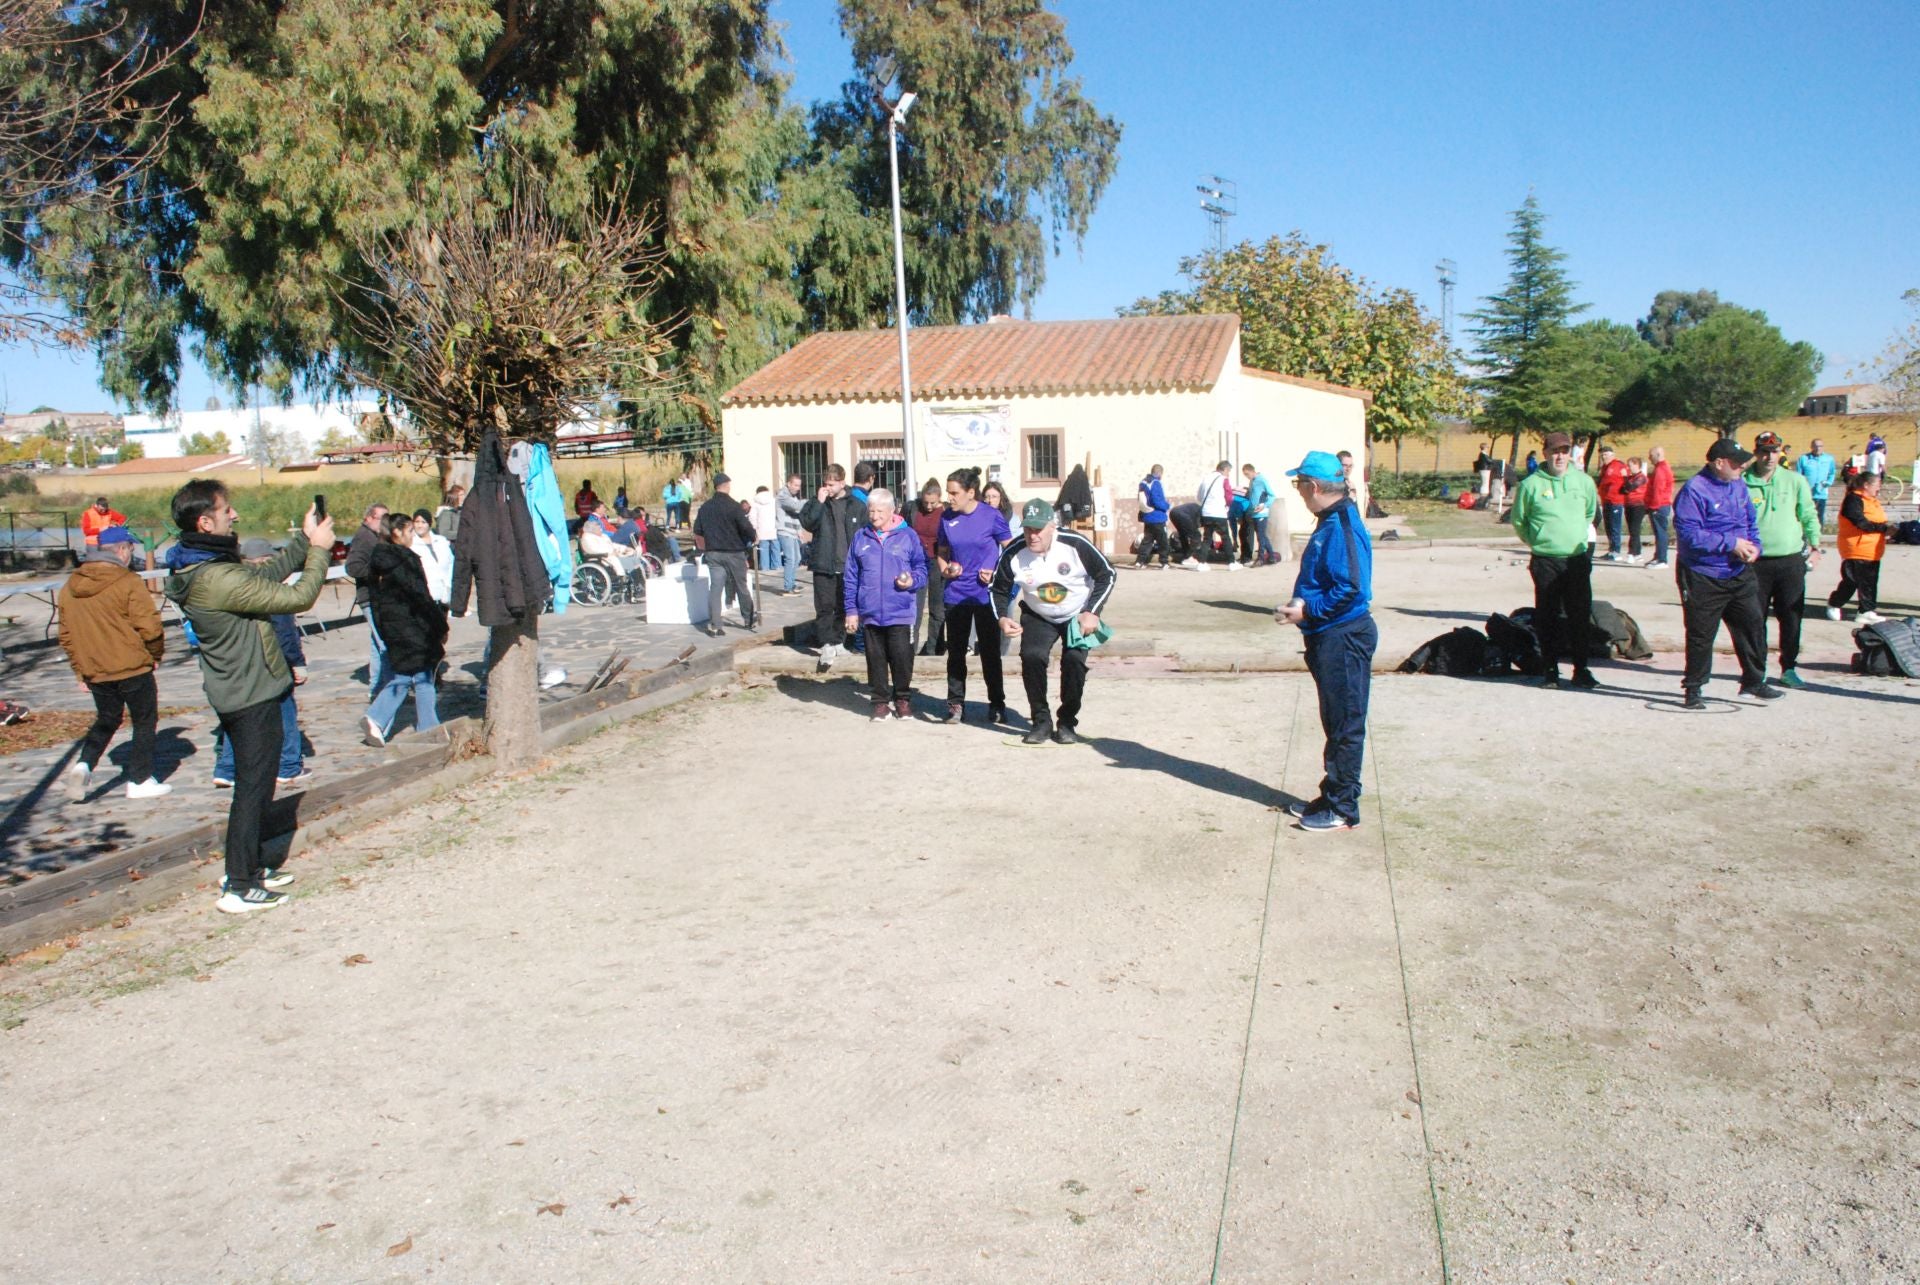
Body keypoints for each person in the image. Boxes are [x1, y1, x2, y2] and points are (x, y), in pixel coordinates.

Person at [164, 480, 332, 913]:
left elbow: (264, 575)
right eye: (226, 510)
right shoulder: (215, 577)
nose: (234, 515)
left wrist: (303, 540)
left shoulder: (209, 566)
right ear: (205, 521)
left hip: (249, 688)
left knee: (257, 786)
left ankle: (250, 865)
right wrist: (320, 551)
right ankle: (238, 886)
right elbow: (298, 596)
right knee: (252, 789)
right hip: (248, 694)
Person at [1274, 452, 1375, 833]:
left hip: (1344, 637)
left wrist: (1308, 611)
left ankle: (1343, 807)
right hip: (1327, 636)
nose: (1298, 491)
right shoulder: (1330, 520)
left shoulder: (1341, 525)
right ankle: (1331, 793)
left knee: (1346, 723)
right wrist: (1301, 603)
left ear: (1313, 487)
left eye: (1299, 484)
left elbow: (1351, 589)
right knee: (1334, 721)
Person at [991, 497, 1114, 745]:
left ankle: (1067, 722)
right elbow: (998, 589)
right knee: (1032, 657)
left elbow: (1107, 574)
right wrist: (1003, 618)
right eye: (1027, 529)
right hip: (1039, 614)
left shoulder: (1075, 544)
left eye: (1038, 529)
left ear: (1052, 527)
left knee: (1074, 662)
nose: (1032, 535)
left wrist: (1092, 611)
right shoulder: (1014, 552)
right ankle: (1041, 721)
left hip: (1076, 613)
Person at [58, 525, 168, 801]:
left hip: (95, 669)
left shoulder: (70, 585)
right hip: (132, 665)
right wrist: (155, 655)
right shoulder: (127, 581)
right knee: (144, 720)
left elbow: (66, 635)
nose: (131, 554)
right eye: (131, 549)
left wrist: (79, 670)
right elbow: (150, 627)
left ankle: (84, 765)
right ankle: (140, 780)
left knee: (107, 719)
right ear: (121, 550)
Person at [1673, 439, 1776, 709]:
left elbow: (1749, 522)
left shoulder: (1739, 485)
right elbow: (1689, 534)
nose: (1743, 466)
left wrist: (1755, 547)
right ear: (1718, 463)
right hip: (1702, 573)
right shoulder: (1694, 490)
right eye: (1736, 462)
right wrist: (1731, 544)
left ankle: (1754, 680)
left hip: (1739, 572)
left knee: (1753, 625)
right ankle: (1694, 688)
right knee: (1701, 633)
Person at [211, 537, 311, 789]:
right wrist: (297, 663)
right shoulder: (269, 589)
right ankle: (289, 765)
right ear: (266, 561)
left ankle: (227, 768)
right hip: (274, 663)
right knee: (286, 711)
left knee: (238, 716)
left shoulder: (233, 586)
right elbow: (284, 632)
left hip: (240, 663)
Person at [1508, 431, 1600, 690]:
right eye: (1555, 451)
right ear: (1545, 453)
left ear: (1570, 454)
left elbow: (1589, 513)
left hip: (1576, 559)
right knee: (1547, 617)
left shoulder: (1583, 482)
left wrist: (1574, 536)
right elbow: (1519, 520)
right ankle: (1550, 670)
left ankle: (1581, 669)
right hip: (1545, 560)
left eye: (1564, 451)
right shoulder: (1531, 484)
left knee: (1580, 615)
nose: (1560, 456)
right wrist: (1539, 541)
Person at [1744, 431, 1822, 689]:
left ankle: (1789, 667)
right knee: (1754, 618)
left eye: (1774, 451)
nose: (1769, 456)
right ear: (1756, 453)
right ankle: (1757, 668)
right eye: (1764, 451)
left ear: (1781, 453)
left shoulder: (1794, 480)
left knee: (1791, 616)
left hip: (1790, 560)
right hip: (1756, 562)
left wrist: (1816, 545)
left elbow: (1808, 514)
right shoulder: (1742, 482)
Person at [843, 488, 927, 721]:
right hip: (870, 611)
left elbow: (922, 569)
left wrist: (912, 581)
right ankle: (880, 702)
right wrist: (851, 610)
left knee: (901, 657)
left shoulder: (908, 536)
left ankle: (902, 699)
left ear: (892, 511)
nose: (874, 515)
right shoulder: (861, 537)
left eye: (879, 511)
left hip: (900, 610)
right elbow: (851, 576)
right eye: (871, 511)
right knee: (875, 659)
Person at [936, 467, 1012, 723]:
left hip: (985, 596)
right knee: (956, 652)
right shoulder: (947, 518)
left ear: (971, 493)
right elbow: (942, 551)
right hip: (956, 594)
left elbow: (1009, 550)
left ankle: (997, 704)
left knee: (990, 652)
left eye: (954, 493)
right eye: (948, 493)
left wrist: (995, 571)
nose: (950, 498)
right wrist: (945, 569)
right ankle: (955, 704)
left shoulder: (991, 516)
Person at [363, 513, 447, 744]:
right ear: (397, 532)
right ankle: (425, 728)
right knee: (422, 676)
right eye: (409, 531)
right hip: (413, 625)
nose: (413, 536)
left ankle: (383, 719)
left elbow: (374, 599)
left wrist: (382, 629)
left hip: (392, 626)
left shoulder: (377, 559)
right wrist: (439, 624)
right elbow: (420, 595)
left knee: (409, 675)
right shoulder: (405, 559)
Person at [800, 464, 866, 668]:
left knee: (843, 606)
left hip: (848, 565)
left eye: (831, 484)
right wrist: (819, 503)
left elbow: (864, 532)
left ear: (842, 483)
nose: (827, 488)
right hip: (823, 562)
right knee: (824, 606)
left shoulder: (855, 504)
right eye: (825, 484)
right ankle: (826, 642)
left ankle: (839, 640)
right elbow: (807, 523)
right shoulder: (817, 502)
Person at [692, 473, 758, 637]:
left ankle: (715, 625)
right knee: (741, 586)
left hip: (713, 553)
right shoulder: (734, 506)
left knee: (715, 589)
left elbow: (697, 530)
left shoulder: (705, 507)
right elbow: (745, 527)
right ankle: (748, 619)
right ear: (727, 485)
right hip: (734, 552)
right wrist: (754, 536)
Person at [1826, 470, 1894, 625]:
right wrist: (1883, 529)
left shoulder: (1873, 501)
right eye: (1877, 484)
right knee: (1852, 581)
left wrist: (1888, 531)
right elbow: (1859, 521)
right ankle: (1835, 603)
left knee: (1869, 582)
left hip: (1872, 550)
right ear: (1866, 485)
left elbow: (1878, 521)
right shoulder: (1853, 500)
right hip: (1856, 548)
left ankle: (1866, 611)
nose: (1879, 488)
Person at [344, 501, 390, 690]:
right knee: (385, 644)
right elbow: (352, 567)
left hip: (377, 597)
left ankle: (376, 687)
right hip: (369, 598)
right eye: (382, 519)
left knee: (377, 645)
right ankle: (389, 688)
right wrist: (377, 572)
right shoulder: (364, 537)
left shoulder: (375, 536)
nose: (386, 523)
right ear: (369, 517)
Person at [909, 479, 947, 654]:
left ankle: (934, 650)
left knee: (937, 609)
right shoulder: (913, 508)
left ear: (940, 498)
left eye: (933, 502)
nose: (929, 506)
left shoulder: (946, 512)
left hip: (937, 561)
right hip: (917, 563)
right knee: (915, 608)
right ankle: (911, 648)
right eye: (926, 502)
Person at [581, 502, 646, 582]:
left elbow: (612, 543)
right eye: (603, 507)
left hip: (611, 553)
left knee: (633, 560)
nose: (601, 530)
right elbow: (595, 549)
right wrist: (612, 551)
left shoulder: (602, 533)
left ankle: (639, 582)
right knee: (630, 561)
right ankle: (635, 582)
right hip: (604, 557)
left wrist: (623, 548)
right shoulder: (590, 535)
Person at [410, 508, 455, 605]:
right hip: (423, 597)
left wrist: (449, 585)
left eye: (423, 522)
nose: (419, 525)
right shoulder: (411, 544)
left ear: (429, 524)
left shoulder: (441, 541)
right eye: (417, 522)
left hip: (444, 595)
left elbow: (451, 563)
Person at [1197, 460, 1236, 567]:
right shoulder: (1224, 479)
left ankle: (1202, 563)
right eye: (1229, 471)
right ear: (1225, 469)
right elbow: (1229, 496)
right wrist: (1227, 505)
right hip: (1219, 512)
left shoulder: (1206, 478)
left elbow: (1199, 496)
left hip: (1206, 513)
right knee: (1225, 537)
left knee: (1207, 538)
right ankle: (1232, 562)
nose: (1228, 474)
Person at [1644, 446, 1676, 568]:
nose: (1649, 458)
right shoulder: (1661, 468)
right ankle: (1658, 557)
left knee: (1661, 532)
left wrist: (1653, 506)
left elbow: (1658, 490)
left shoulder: (1660, 470)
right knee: (1658, 533)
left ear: (1658, 455)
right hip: (1661, 504)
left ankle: (1662, 560)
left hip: (1659, 505)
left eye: (1651, 455)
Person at [1240, 463, 1277, 565]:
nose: (1247, 476)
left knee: (1260, 537)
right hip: (1254, 513)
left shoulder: (1261, 479)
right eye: (1245, 475)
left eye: (1247, 474)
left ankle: (1260, 559)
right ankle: (1272, 557)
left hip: (1262, 513)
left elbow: (1272, 495)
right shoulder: (1252, 481)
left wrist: (1264, 505)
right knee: (1262, 536)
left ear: (1252, 471)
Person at [1794, 437, 1836, 526]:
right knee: (1805, 516)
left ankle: (1817, 537)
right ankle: (1803, 537)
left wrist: (1828, 482)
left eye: (1820, 446)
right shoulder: (1803, 459)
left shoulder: (1829, 459)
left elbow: (1832, 473)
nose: (1818, 448)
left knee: (1819, 516)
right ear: (1811, 447)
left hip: (1821, 493)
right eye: (1816, 446)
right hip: (1806, 494)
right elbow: (1798, 476)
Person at [774, 474, 805, 595]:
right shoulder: (782, 496)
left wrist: (799, 531)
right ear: (789, 484)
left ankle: (792, 583)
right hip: (784, 531)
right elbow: (795, 506)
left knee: (797, 558)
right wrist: (811, 501)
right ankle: (788, 587)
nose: (798, 488)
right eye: (796, 485)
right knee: (790, 558)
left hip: (793, 532)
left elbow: (796, 515)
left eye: (799, 486)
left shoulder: (794, 497)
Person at [1595, 445, 1628, 560]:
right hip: (1606, 500)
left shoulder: (1618, 465)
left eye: (1606, 454)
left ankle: (1616, 551)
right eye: (1602, 455)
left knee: (1615, 527)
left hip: (1615, 501)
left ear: (1612, 455)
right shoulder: (1605, 467)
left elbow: (1626, 480)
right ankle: (1611, 550)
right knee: (1608, 526)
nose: (1604, 457)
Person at [1136, 464, 1171, 568]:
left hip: (1147, 516)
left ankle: (1140, 562)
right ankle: (1164, 562)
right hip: (1157, 516)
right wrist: (1167, 505)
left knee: (1147, 540)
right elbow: (1157, 500)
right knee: (1163, 541)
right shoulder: (1156, 483)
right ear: (1159, 473)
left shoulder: (1143, 482)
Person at [1621, 457, 1650, 560]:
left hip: (1638, 505)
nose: (1628, 468)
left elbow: (1630, 487)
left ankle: (1632, 552)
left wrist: (1624, 477)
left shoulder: (1641, 477)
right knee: (1632, 530)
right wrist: (1626, 482)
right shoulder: (1631, 477)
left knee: (1634, 529)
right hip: (1628, 505)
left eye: (1630, 465)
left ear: (1637, 465)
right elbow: (1623, 490)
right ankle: (1638, 553)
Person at [750, 485, 779, 572]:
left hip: (762, 530)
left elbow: (752, 517)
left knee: (763, 549)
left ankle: (765, 567)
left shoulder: (755, 503)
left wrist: (754, 527)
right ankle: (776, 566)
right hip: (774, 528)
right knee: (775, 548)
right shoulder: (774, 500)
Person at [1169, 501, 1206, 569]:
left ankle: (1186, 556)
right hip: (1183, 515)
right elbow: (1195, 526)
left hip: (1173, 513)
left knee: (1183, 535)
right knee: (1196, 535)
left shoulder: (1196, 507)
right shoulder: (1203, 512)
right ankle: (1191, 557)